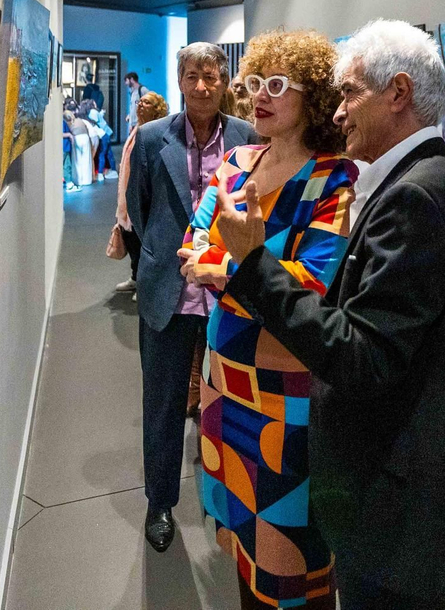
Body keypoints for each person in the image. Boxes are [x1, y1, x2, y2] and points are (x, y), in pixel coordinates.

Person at [194, 19, 445, 609]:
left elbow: (358, 353)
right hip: (409, 475)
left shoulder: (416, 196)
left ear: (398, 93)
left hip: (399, 488)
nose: (339, 112)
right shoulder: (437, 181)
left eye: (351, 93)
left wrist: (250, 261)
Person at [179, 30, 355, 609]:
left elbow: (311, 286)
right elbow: (191, 248)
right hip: (224, 379)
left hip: (285, 393)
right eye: (254, 83)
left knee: (289, 557)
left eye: (278, 85)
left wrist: (226, 266)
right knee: (238, 536)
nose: (260, 96)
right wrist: (246, 268)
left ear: (315, 98)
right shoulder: (236, 161)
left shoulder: (333, 179)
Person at [126, 43, 256, 552]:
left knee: (231, 400)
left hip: (228, 290)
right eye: (192, 76)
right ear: (179, 81)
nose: (201, 86)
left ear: (224, 81)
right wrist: (162, 253)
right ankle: (159, 503)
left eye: (210, 75)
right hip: (170, 294)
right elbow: (140, 210)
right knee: (161, 403)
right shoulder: (153, 138)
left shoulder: (246, 137)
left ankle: (229, 498)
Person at [111, 90, 170, 294]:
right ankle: (136, 278)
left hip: (145, 196)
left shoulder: (157, 133)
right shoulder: (136, 130)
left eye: (146, 103)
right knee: (131, 238)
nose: (140, 105)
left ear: (156, 110)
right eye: (139, 101)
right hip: (129, 194)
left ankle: (145, 284)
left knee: (142, 240)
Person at [125, 71, 149, 136]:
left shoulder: (142, 90)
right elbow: (133, 107)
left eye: (126, 80)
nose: (126, 83)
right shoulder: (133, 92)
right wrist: (130, 116)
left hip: (140, 125)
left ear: (132, 79)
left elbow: (150, 103)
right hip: (133, 125)